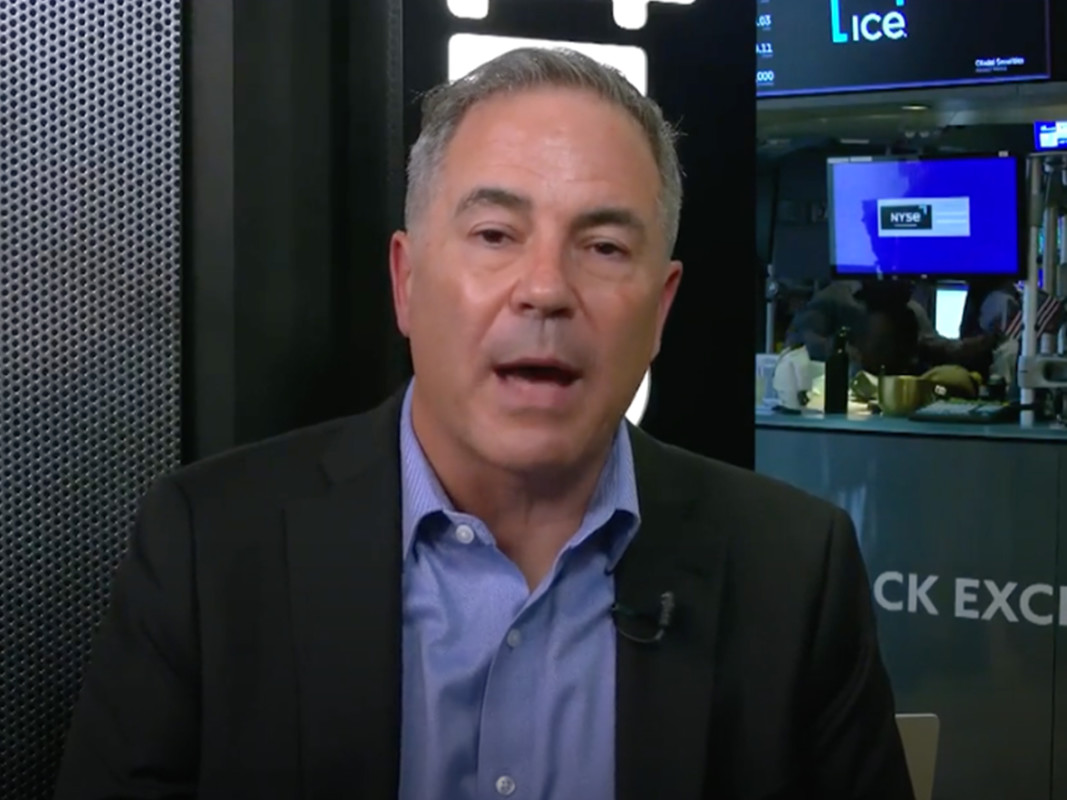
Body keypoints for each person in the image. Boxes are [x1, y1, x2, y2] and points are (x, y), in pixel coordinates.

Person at [56, 48, 914, 799]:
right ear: (406, 282)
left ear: (660, 310)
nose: (545, 289)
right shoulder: (210, 547)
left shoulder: (793, 573)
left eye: (603, 247)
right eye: (496, 234)